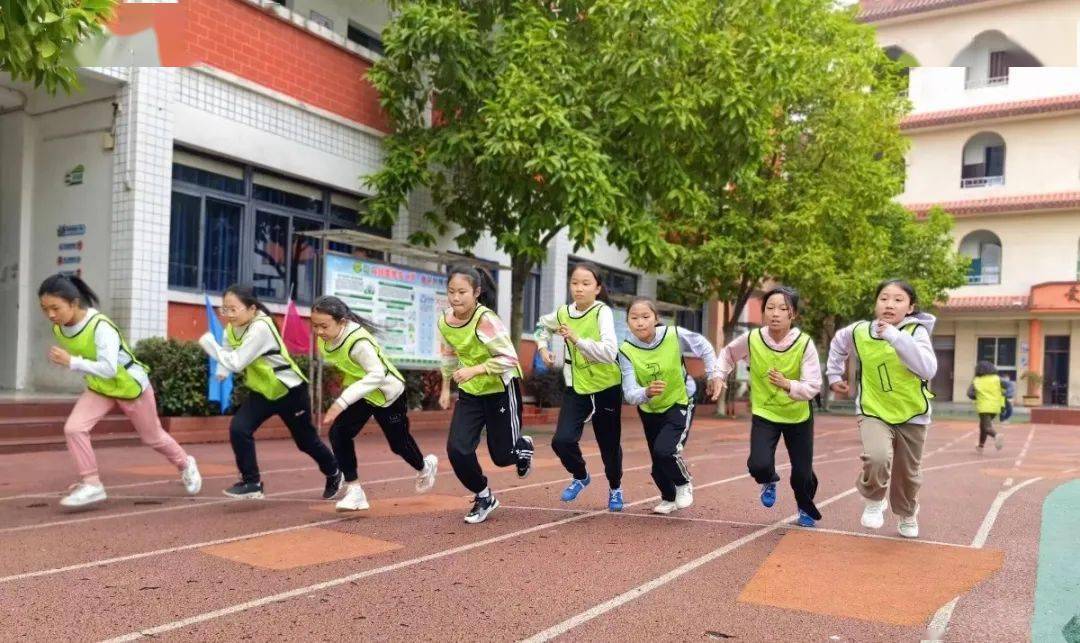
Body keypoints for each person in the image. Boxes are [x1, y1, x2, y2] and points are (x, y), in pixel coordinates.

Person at [39, 274, 201, 508]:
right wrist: (74, 362)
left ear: (74, 303)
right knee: (74, 428)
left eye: (56, 308)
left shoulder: (101, 327)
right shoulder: (60, 329)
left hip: (129, 385)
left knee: (152, 437)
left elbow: (108, 368)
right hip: (101, 387)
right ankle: (92, 484)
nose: (51, 315)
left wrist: (72, 362)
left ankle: (185, 463)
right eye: (45, 309)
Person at [198, 284, 341, 500]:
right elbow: (228, 352)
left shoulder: (260, 328)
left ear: (251, 309)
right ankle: (252, 482)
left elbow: (236, 361)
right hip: (263, 391)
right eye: (225, 309)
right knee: (239, 429)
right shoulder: (231, 329)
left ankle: (334, 472)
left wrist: (210, 346)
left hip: (289, 391)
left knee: (305, 441)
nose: (228, 314)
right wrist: (221, 370)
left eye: (233, 309)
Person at [827, 279, 937, 539]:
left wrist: (895, 336)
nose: (890, 304)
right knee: (877, 457)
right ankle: (875, 500)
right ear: (876, 303)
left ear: (910, 308)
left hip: (912, 414)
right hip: (873, 409)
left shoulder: (916, 332)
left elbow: (927, 369)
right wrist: (833, 374)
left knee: (907, 474)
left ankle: (907, 512)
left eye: (898, 300)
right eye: (884, 298)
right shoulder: (859, 331)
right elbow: (838, 344)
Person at [311, 295, 438, 511]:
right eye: (315, 325)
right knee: (339, 433)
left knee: (399, 445)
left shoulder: (359, 342)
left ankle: (425, 467)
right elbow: (352, 368)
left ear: (341, 322)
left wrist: (342, 401)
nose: (319, 331)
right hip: (364, 394)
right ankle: (354, 491)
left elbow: (376, 375)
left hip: (388, 394)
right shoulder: (325, 340)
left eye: (324, 326)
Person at [716, 286, 822, 527]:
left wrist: (788, 385)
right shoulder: (753, 339)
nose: (775, 313)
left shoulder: (804, 344)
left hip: (798, 415)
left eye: (783, 309)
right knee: (758, 465)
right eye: (770, 308)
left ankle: (804, 504)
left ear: (792, 314)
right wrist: (718, 376)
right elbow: (727, 355)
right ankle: (769, 480)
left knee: (803, 474)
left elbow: (813, 385)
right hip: (766, 412)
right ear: (763, 312)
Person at [438, 265, 533, 524]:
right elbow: (448, 353)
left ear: (476, 292)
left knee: (501, 457)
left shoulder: (486, 320)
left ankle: (522, 447)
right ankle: (484, 496)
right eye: (451, 292)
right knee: (457, 449)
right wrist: (446, 387)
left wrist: (475, 370)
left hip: (500, 390)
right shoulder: (445, 320)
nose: (456, 298)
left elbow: (510, 358)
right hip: (470, 393)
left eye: (462, 292)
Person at [618, 298, 722, 515]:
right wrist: (646, 392)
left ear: (656, 318)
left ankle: (684, 483)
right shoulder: (626, 350)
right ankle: (669, 498)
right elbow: (629, 392)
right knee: (658, 466)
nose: (640, 322)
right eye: (634, 318)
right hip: (650, 409)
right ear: (628, 322)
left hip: (680, 401)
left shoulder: (673, 334)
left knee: (666, 451)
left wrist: (713, 374)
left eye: (645, 317)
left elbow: (703, 346)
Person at [535, 262, 624, 511]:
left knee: (608, 444)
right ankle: (581, 475)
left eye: (586, 284)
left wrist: (577, 339)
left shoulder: (601, 312)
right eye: (574, 283)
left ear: (597, 288)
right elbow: (541, 325)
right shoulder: (563, 312)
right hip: (577, 387)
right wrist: (542, 347)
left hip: (606, 386)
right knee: (561, 440)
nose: (579, 288)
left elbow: (609, 352)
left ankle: (615, 487)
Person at [967, 360, 1014, 453]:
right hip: (996, 406)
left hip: (984, 407)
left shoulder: (976, 380)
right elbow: (1010, 385)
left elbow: (969, 393)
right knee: (983, 425)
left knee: (986, 427)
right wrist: (1008, 394)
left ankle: (996, 436)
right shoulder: (997, 379)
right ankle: (981, 446)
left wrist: (976, 396)